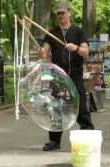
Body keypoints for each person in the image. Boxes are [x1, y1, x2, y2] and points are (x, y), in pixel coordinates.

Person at [39, 2, 94, 151]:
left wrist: (75, 48)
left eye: (63, 13)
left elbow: (86, 52)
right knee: (55, 108)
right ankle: (54, 141)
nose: (61, 16)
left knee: (81, 107)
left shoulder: (78, 32)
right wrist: (42, 52)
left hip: (75, 75)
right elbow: (44, 51)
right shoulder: (52, 33)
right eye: (58, 13)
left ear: (69, 13)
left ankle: (88, 137)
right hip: (57, 76)